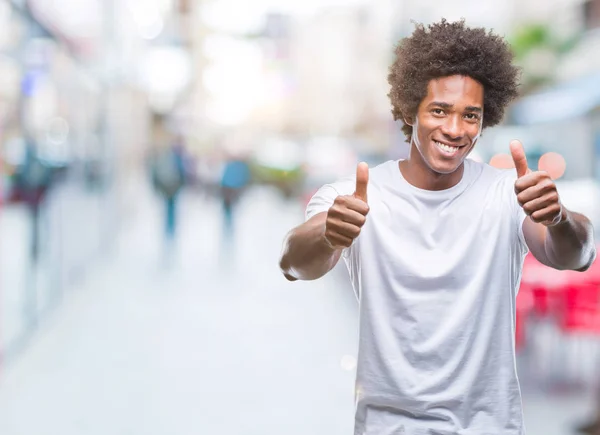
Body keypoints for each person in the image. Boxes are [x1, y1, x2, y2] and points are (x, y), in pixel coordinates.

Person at [279, 19, 597, 435]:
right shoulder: (356, 194)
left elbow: (576, 255)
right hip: (387, 426)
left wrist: (558, 218)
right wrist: (327, 233)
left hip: (489, 426)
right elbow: (293, 263)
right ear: (411, 110)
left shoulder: (506, 193)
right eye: (439, 110)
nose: (454, 129)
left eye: (471, 116)